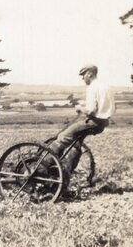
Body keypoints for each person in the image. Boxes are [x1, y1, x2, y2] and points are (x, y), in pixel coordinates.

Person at [48, 64, 115, 195]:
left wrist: (80, 108)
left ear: (90, 74)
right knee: (75, 145)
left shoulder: (92, 87)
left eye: (83, 75)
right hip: (102, 122)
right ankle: (63, 179)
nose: (83, 78)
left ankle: (45, 165)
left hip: (93, 121)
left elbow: (91, 110)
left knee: (63, 137)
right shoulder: (106, 86)